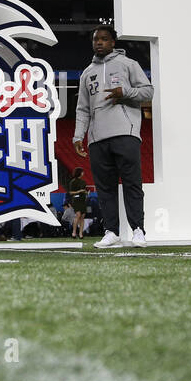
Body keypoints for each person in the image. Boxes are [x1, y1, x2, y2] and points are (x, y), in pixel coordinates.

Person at [72, 25, 154, 248]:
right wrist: (78, 136)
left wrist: (125, 92)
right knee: (105, 188)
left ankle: (138, 231)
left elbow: (148, 92)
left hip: (125, 133)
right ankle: (111, 232)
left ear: (113, 42)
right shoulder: (87, 73)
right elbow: (82, 109)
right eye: (96, 39)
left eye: (104, 39)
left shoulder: (129, 65)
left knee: (132, 184)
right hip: (97, 138)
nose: (99, 42)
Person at [67, 166, 89, 239]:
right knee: (78, 215)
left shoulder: (83, 182)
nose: (83, 173)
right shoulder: (73, 182)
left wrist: (86, 192)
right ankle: (74, 232)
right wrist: (79, 191)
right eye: (82, 171)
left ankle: (80, 233)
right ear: (79, 173)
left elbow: (85, 190)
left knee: (82, 217)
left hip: (83, 200)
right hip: (76, 200)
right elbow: (70, 192)